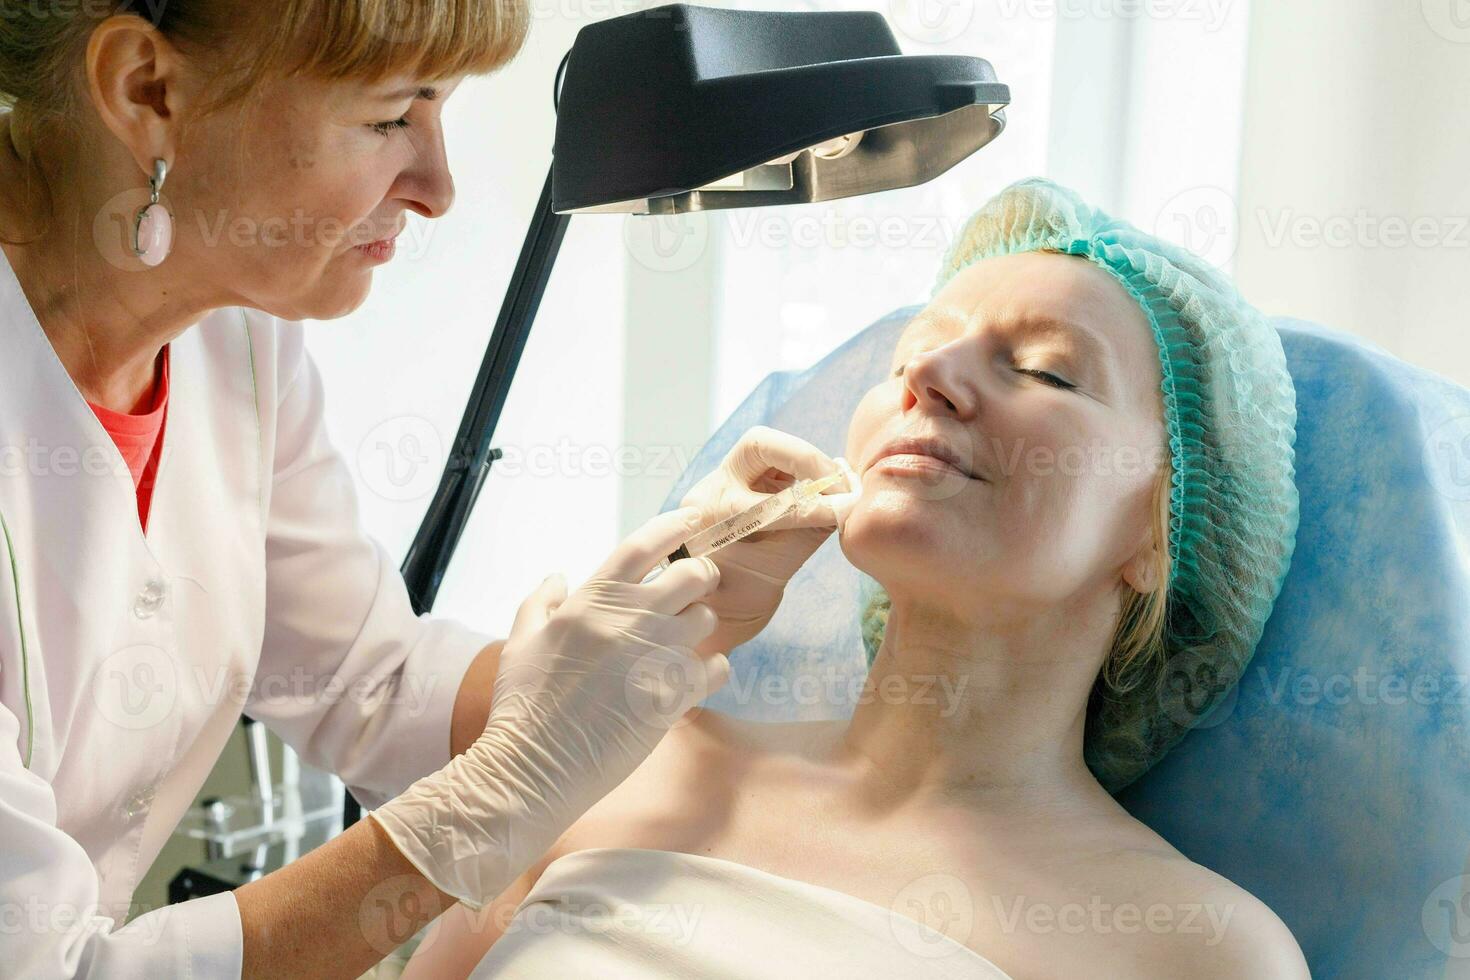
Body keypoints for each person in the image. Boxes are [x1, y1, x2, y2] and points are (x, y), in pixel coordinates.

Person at [0, 3, 845, 976]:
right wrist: (505, 790)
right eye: (391, 116)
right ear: (147, 88)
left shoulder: (239, 333)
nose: (438, 188)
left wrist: (669, 605)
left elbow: (367, 677)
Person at [399, 178, 1311, 979]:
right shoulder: (614, 761)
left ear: (1164, 529)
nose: (930, 374)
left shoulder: (1196, 951)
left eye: (1045, 371)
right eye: (913, 352)